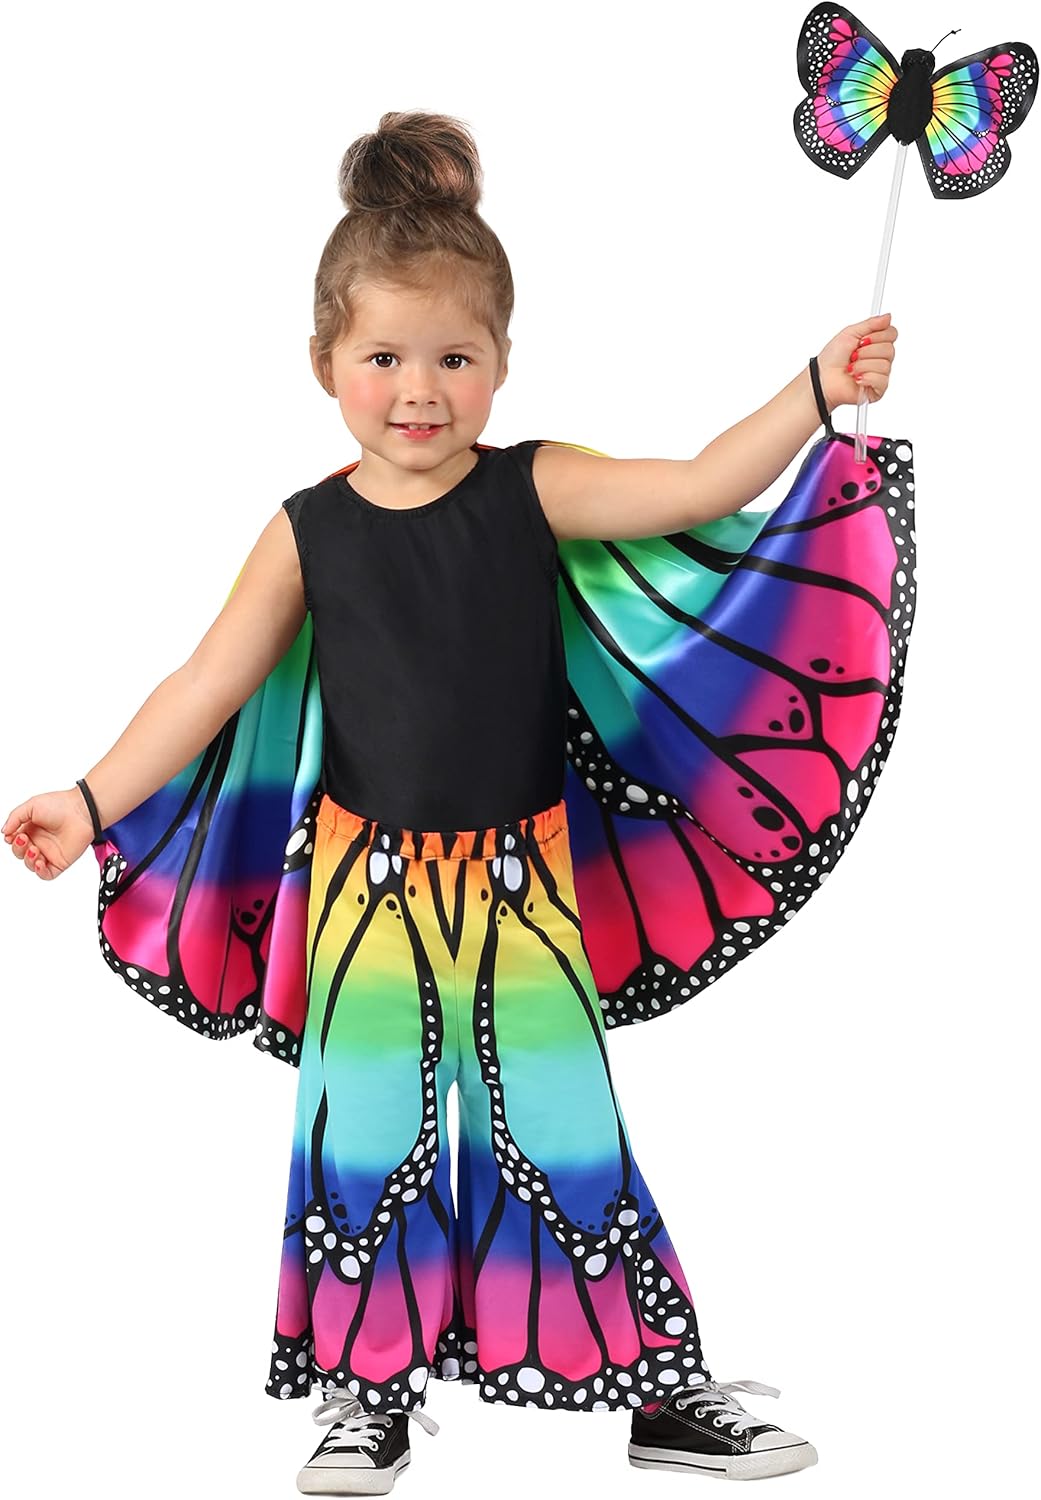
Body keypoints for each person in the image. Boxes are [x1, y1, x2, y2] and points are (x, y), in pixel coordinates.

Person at [4, 110, 898, 1494]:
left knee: (567, 1132)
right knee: (364, 1141)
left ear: (500, 363)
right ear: (324, 364)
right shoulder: (306, 531)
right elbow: (205, 683)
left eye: (454, 359)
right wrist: (87, 796)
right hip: (364, 902)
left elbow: (697, 485)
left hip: (524, 892)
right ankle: (364, 1396)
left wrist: (813, 389)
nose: (418, 391)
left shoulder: (533, 488)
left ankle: (659, 1393)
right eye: (384, 359)